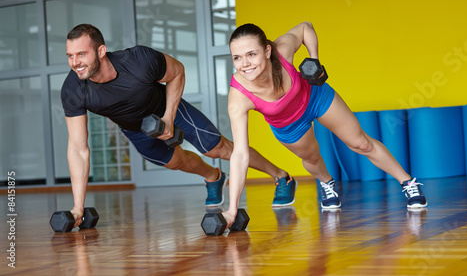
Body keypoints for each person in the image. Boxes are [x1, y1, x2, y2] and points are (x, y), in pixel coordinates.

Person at [61, 24, 296, 228]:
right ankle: (213, 177)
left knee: (217, 148)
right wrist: (77, 208)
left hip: (168, 108)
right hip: (135, 129)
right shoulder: (73, 90)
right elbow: (78, 148)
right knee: (177, 162)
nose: (75, 63)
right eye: (70, 56)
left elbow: (177, 71)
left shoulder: (138, 60)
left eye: (81, 54)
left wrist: (168, 118)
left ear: (101, 51)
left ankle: (280, 176)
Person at [222, 21, 427, 226]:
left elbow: (305, 27)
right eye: (237, 58)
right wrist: (232, 210)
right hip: (288, 124)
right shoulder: (239, 96)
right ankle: (327, 183)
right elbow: (240, 153)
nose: (245, 64)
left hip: (314, 96)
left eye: (251, 54)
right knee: (311, 157)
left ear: (267, 51)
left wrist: (314, 60)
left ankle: (408, 182)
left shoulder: (282, 51)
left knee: (361, 143)